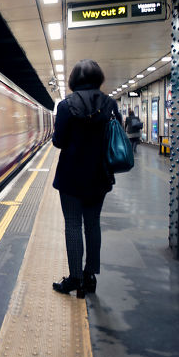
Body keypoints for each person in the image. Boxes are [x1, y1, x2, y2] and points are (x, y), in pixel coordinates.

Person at [51, 59, 121, 298]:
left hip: (71, 176)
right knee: (93, 224)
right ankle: (90, 277)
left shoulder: (66, 105)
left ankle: (75, 279)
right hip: (99, 175)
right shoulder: (110, 104)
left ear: (73, 80)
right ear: (99, 77)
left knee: (72, 225)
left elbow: (58, 141)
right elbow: (115, 136)